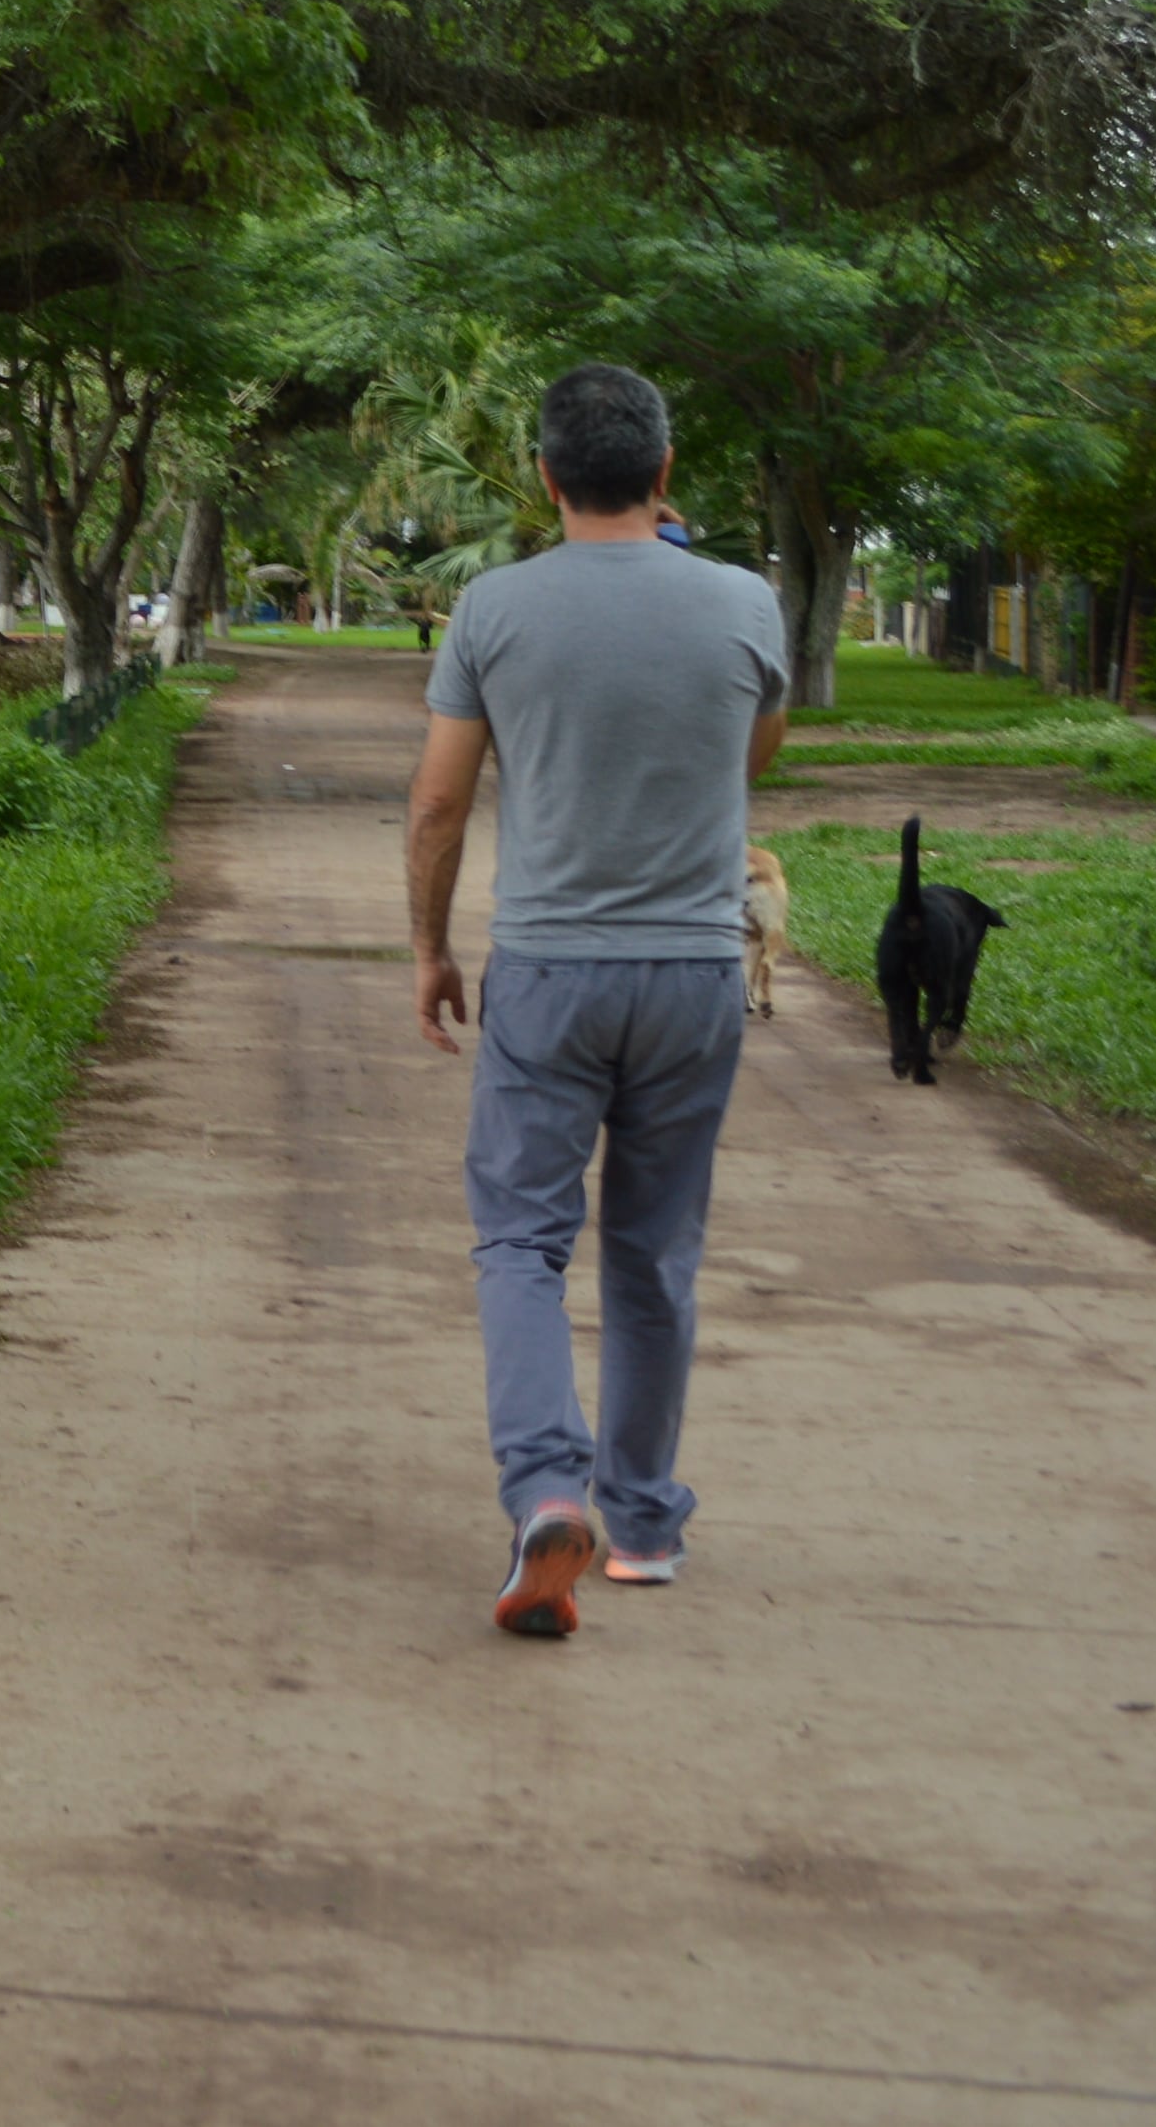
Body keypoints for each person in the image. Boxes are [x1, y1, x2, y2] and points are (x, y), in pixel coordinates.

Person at [403, 365, 789, 1639]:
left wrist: (427, 946)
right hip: (690, 974)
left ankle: (543, 1492)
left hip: (548, 972)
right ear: (664, 474)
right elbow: (749, 757)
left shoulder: (493, 608)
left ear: (546, 478)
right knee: (652, 1245)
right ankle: (641, 1524)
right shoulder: (744, 606)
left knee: (518, 1240)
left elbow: (439, 803)